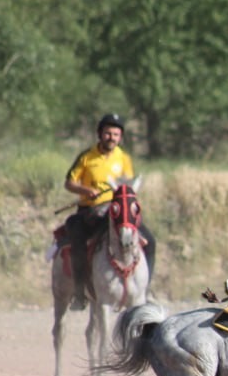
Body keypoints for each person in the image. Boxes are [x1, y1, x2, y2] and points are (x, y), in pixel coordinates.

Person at [62, 113, 158, 310]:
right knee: (77, 237)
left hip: (117, 210)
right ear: (100, 134)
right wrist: (86, 190)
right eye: (108, 133)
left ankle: (144, 290)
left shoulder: (124, 158)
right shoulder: (87, 157)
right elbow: (69, 183)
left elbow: (128, 186)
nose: (111, 137)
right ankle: (80, 293)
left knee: (150, 241)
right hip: (92, 209)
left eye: (115, 134)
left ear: (120, 137)